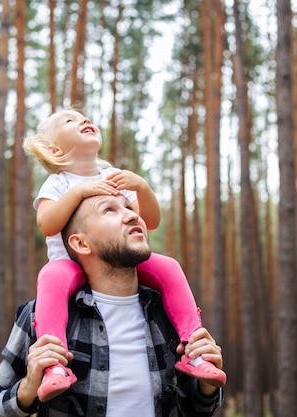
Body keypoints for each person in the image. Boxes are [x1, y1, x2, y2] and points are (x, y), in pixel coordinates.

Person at [22, 109, 226, 401]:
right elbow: (47, 223)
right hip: (70, 265)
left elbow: (150, 221)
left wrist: (141, 187)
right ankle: (54, 365)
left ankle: (194, 350)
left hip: (120, 258)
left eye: (84, 117)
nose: (83, 120)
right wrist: (79, 194)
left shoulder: (113, 178)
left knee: (168, 266)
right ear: (55, 149)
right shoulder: (58, 182)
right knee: (50, 276)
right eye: (70, 120)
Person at [0, 194, 224, 417]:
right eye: (109, 210)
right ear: (81, 243)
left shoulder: (167, 312)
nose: (131, 215)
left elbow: (197, 410)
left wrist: (207, 388)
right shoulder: (40, 316)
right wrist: (28, 388)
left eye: (129, 207)